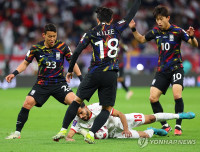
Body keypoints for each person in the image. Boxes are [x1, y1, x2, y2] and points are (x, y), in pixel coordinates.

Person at [61, 0, 141, 144]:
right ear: (111, 19)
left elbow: (77, 52)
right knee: (107, 108)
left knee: (77, 101)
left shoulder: (91, 32)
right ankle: (91, 134)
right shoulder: (117, 27)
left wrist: (70, 70)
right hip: (110, 74)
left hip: (94, 73)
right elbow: (130, 15)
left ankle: (62, 130)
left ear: (97, 19)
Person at [129, 5, 198, 135]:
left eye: (161, 19)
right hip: (162, 70)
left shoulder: (177, 31)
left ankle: (178, 126)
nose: (159, 22)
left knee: (177, 94)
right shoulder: (155, 32)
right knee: (153, 98)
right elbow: (141, 39)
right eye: (157, 19)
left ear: (168, 18)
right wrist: (133, 29)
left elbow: (194, 44)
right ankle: (165, 125)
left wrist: (193, 37)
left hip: (176, 68)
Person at [5, 23, 83, 139]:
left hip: (59, 83)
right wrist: (14, 73)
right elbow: (26, 63)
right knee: (27, 103)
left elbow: (72, 62)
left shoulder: (62, 47)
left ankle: (81, 129)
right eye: (50, 36)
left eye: (54, 36)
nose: (52, 39)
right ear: (44, 35)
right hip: (42, 84)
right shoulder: (36, 48)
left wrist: (81, 78)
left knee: (77, 105)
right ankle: (17, 133)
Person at [64, 102, 195, 141]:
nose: (81, 116)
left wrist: (126, 129)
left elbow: (120, 114)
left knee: (151, 118)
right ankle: (153, 131)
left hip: (121, 122)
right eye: (78, 115)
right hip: (115, 134)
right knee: (144, 135)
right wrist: (69, 138)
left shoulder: (98, 107)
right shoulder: (78, 120)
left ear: (86, 107)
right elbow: (70, 133)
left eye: (82, 112)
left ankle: (179, 115)